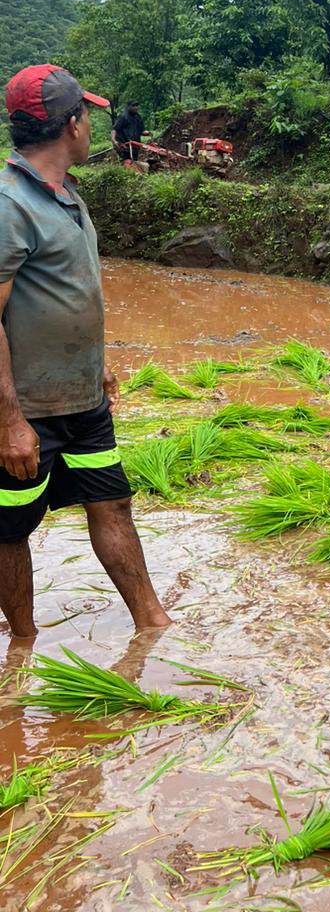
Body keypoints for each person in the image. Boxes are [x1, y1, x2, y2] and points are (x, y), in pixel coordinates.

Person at [0, 63, 170, 639]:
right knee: (8, 529)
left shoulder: (66, 194)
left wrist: (95, 369)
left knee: (113, 503)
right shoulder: (8, 204)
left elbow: (69, 296)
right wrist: (9, 421)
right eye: (87, 116)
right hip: (26, 413)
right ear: (72, 124)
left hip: (82, 403)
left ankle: (153, 623)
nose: (92, 127)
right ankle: (22, 647)